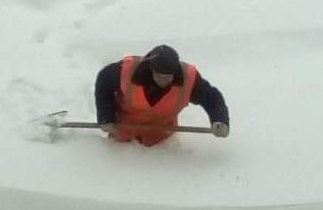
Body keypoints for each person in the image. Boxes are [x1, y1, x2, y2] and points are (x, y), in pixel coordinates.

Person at [94, 45, 230, 146]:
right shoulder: (126, 70)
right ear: (150, 69)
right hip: (123, 133)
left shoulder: (188, 78)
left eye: (169, 76)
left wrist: (220, 119)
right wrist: (106, 116)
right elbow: (103, 82)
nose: (164, 80)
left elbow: (211, 97)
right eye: (159, 75)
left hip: (163, 139)